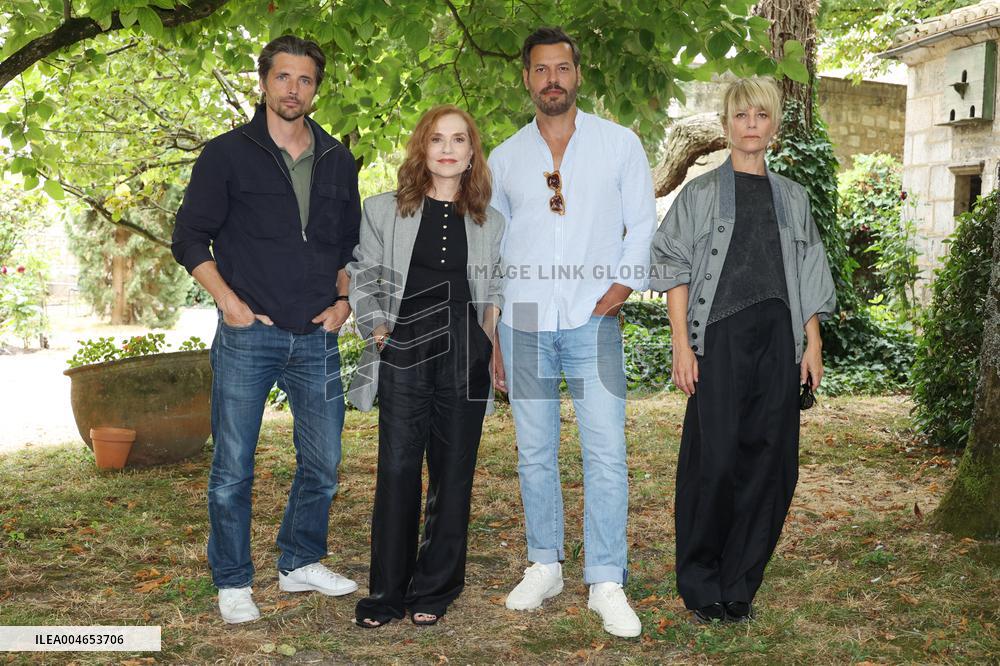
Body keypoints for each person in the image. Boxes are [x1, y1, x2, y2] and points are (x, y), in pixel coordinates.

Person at [171, 35, 361, 624]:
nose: (293, 89)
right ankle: (232, 581)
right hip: (248, 333)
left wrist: (344, 301)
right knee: (233, 467)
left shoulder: (337, 158)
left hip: (317, 336)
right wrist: (228, 302)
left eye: (305, 80)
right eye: (283, 77)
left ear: (316, 88)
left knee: (324, 461)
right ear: (263, 82)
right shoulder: (227, 154)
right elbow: (189, 237)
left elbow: (349, 245)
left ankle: (299, 561)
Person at [488, 27, 656, 638]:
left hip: (593, 317)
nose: (552, 79)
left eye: (562, 68)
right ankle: (545, 564)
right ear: (527, 78)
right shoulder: (504, 158)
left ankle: (606, 579)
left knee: (605, 450)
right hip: (525, 319)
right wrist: (493, 333)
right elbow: (493, 250)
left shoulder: (619, 144)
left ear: (577, 74)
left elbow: (642, 224)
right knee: (534, 450)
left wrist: (619, 291)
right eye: (541, 69)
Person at [649, 77, 836, 624]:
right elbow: (674, 267)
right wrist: (682, 344)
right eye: (740, 115)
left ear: (774, 125)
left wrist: (812, 343)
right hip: (720, 339)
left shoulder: (793, 197)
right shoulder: (700, 194)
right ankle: (702, 581)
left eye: (761, 115)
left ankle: (740, 583)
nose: (751, 124)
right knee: (714, 460)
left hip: (779, 340)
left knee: (772, 463)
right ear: (726, 125)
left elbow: (808, 271)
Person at [346, 105, 504, 628]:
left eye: (459, 140)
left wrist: (484, 340)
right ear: (422, 147)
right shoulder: (383, 210)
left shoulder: (489, 220)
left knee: (453, 470)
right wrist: (378, 330)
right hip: (404, 343)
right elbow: (363, 274)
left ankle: (434, 589)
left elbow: (495, 287)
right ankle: (386, 593)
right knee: (397, 467)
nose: (448, 149)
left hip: (464, 348)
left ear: (471, 153)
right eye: (437, 139)